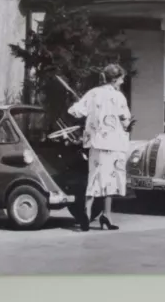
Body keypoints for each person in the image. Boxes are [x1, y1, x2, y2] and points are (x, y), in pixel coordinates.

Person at [68, 63, 133, 231]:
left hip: (96, 142)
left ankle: (87, 212)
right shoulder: (119, 97)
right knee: (111, 179)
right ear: (116, 79)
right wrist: (127, 125)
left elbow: (76, 111)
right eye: (121, 78)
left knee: (95, 176)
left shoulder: (93, 93)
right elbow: (125, 121)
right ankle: (107, 215)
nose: (123, 81)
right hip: (115, 143)